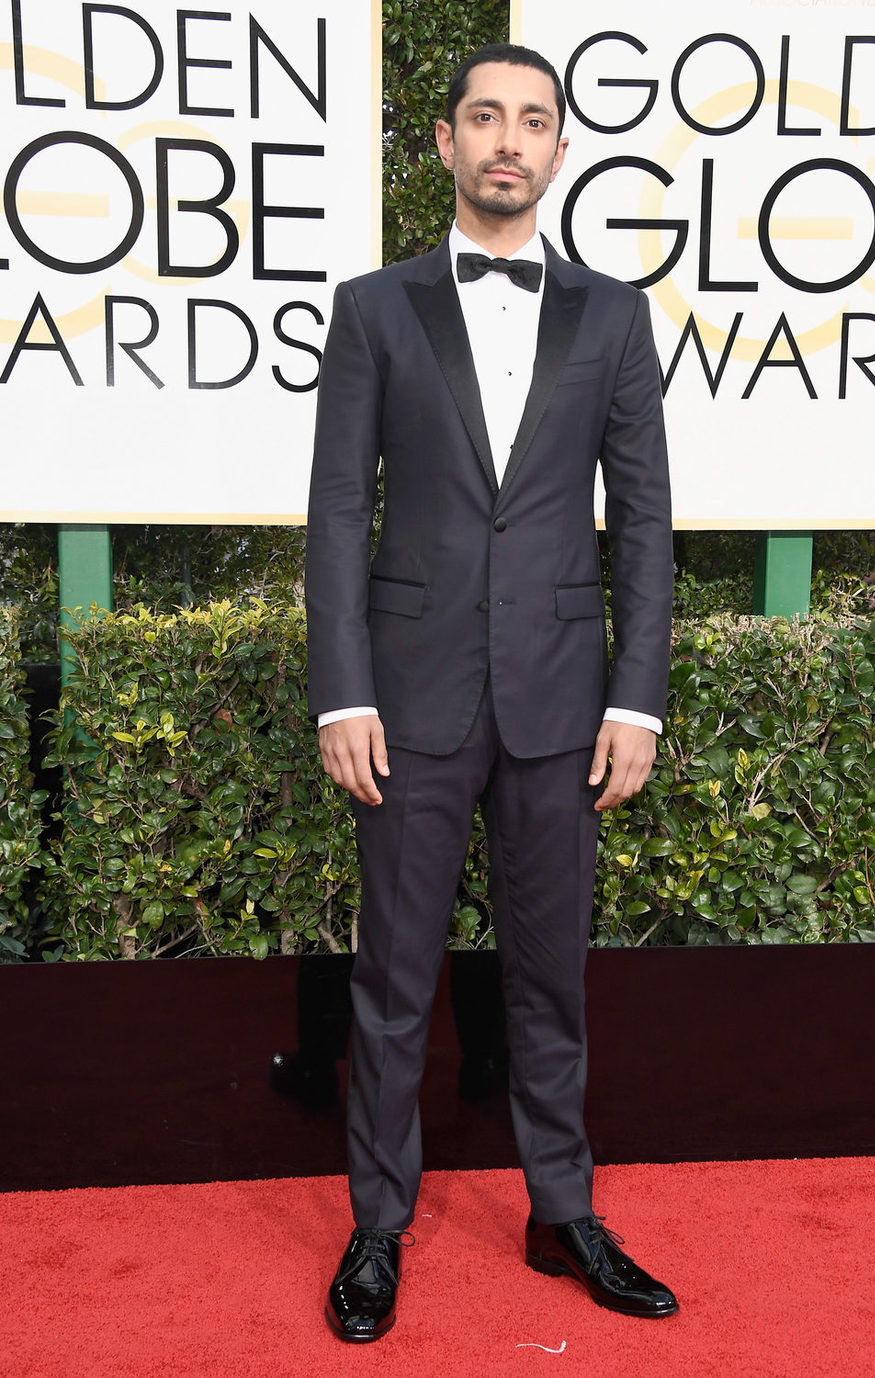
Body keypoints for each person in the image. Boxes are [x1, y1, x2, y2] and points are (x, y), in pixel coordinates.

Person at [305, 42, 676, 1343]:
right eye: (485, 117)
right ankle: (377, 1224)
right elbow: (340, 508)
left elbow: (642, 519)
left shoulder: (616, 316)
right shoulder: (374, 309)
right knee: (395, 978)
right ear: (447, 144)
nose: (508, 139)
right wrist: (340, 690)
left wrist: (637, 698)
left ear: (559, 151)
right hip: (405, 699)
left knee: (550, 977)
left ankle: (561, 1208)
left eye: (533, 120)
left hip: (565, 697)